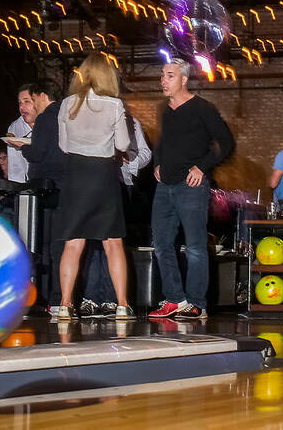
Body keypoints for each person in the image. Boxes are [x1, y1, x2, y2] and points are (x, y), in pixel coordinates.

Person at [149, 58, 234, 320]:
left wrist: (202, 168)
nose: (164, 81)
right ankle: (175, 299)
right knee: (162, 244)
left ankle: (197, 303)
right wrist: (157, 164)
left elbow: (226, 143)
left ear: (183, 80)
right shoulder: (165, 109)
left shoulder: (203, 108)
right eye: (163, 76)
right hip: (165, 186)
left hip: (191, 186)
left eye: (170, 76)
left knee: (196, 246)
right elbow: (163, 143)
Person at [56, 54, 135, 321]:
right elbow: (124, 145)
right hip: (102, 175)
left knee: (73, 243)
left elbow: (63, 146)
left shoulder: (67, 103)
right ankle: (122, 305)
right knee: (113, 243)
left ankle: (65, 304)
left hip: (75, 175)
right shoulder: (114, 105)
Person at [80, 112, 152, 318]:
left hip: (120, 184)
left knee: (113, 242)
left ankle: (112, 299)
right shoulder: (87, 118)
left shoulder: (131, 121)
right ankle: (91, 297)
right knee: (93, 242)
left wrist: (129, 159)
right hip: (91, 184)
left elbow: (145, 154)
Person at [18, 81, 67, 315]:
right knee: (61, 245)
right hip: (67, 187)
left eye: (32, 99)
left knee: (49, 247)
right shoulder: (67, 113)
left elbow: (37, 152)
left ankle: (52, 299)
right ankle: (60, 299)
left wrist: (22, 147)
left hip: (49, 189)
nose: (32, 105)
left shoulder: (47, 117)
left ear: (42, 96)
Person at [3, 84, 37, 182]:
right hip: (29, 184)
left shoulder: (54, 121)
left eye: (27, 101)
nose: (22, 107)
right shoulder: (15, 128)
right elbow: (15, 165)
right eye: (19, 103)